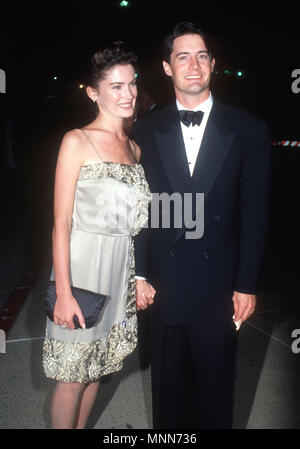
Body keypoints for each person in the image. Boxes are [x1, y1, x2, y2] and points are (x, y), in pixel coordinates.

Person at [133, 22, 271, 429]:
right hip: (165, 284)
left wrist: (246, 283)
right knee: (169, 399)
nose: (193, 65)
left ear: (212, 64)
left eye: (202, 56)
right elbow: (141, 210)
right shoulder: (144, 129)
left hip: (220, 286)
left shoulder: (248, 129)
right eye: (182, 57)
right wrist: (139, 273)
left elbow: (255, 214)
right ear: (166, 67)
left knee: (215, 397)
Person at [42, 42, 152, 429]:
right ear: (94, 93)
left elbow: (135, 226)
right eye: (116, 87)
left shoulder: (135, 148)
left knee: (95, 369)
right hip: (82, 269)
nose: (128, 95)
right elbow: (61, 224)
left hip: (118, 272)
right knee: (71, 375)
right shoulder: (77, 141)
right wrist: (65, 292)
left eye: (132, 85)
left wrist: (138, 278)